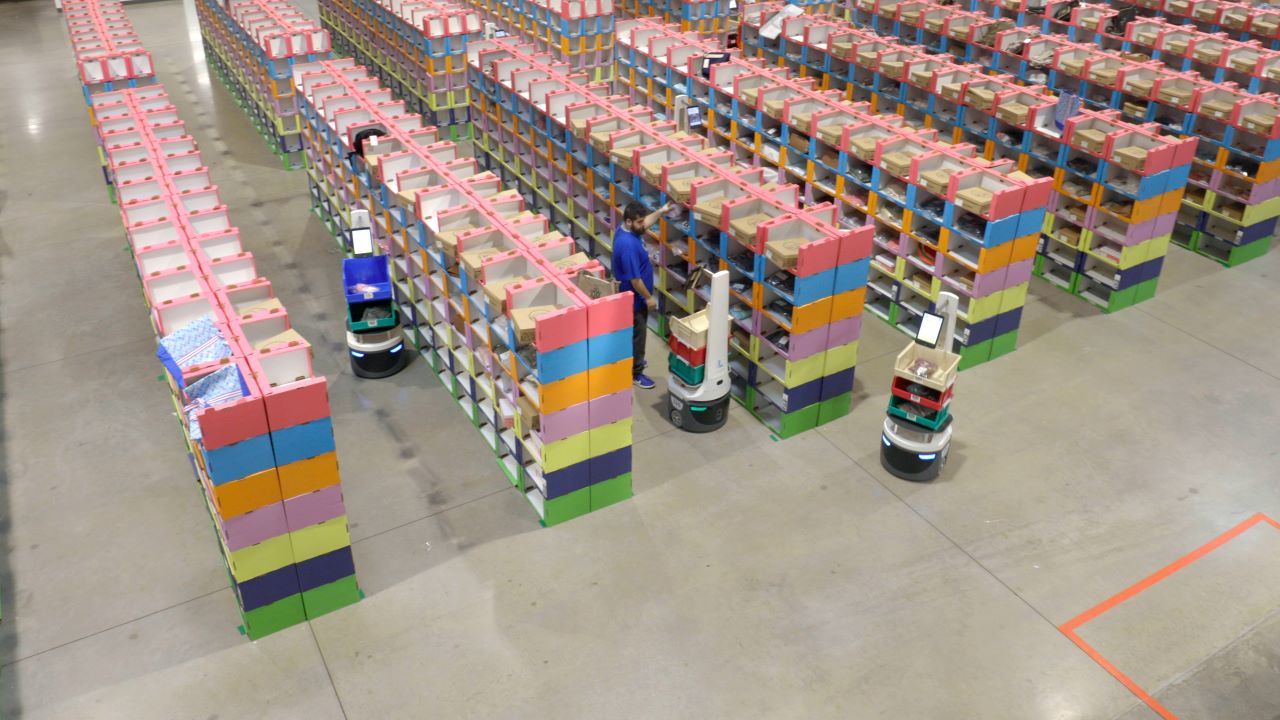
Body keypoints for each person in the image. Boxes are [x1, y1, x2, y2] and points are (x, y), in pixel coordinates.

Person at [612, 200, 672, 389]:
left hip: (635, 296)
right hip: (635, 299)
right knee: (639, 335)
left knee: (633, 333)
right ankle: (636, 373)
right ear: (629, 222)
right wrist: (648, 298)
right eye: (639, 223)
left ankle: (632, 362)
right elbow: (635, 280)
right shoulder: (627, 245)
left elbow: (646, 222)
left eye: (642, 221)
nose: (644, 225)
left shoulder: (628, 230)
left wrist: (661, 211)